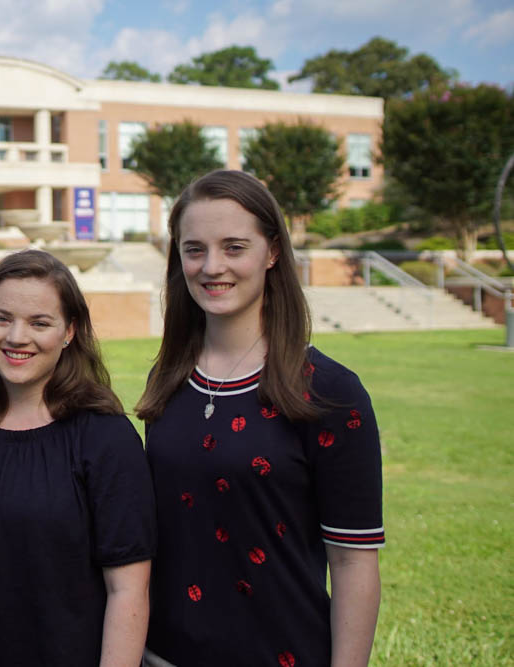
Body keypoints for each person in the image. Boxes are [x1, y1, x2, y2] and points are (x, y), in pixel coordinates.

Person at [136, 170, 384, 666]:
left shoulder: (330, 391)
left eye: (233, 247)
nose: (211, 267)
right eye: (194, 249)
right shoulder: (168, 380)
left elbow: (354, 561)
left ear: (272, 252)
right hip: (163, 655)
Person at [0, 249, 156, 666]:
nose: (17, 337)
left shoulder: (105, 438)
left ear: (69, 331)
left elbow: (128, 591)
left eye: (40, 323)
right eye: (2, 318)